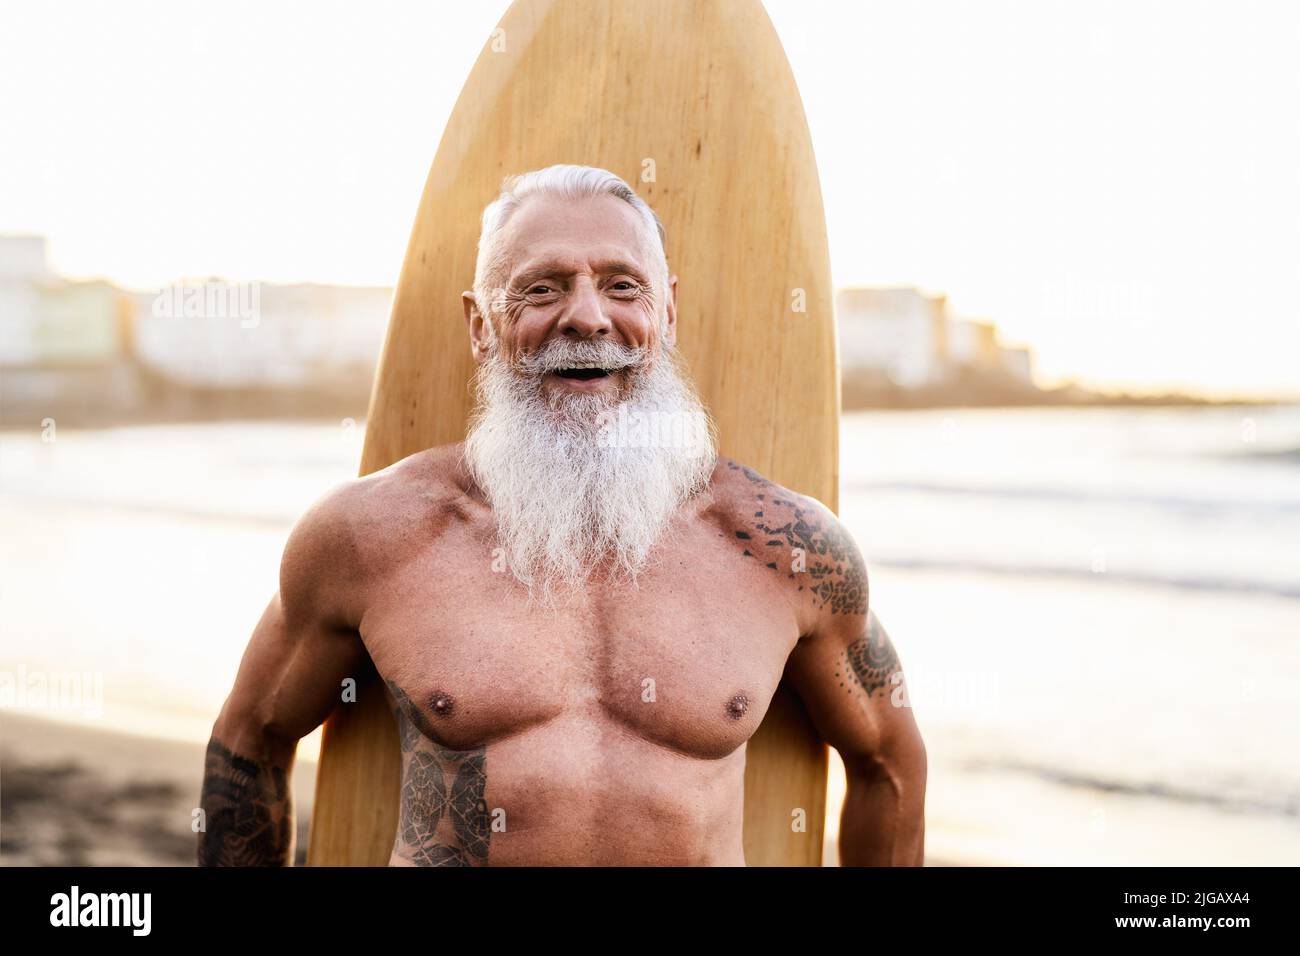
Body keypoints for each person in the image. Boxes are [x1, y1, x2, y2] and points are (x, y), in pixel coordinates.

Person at [197, 164, 926, 866]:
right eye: (541, 289)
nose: (586, 316)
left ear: (666, 314)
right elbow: (251, 740)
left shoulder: (783, 548)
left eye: (622, 286)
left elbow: (888, 761)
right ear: (481, 326)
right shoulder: (371, 536)